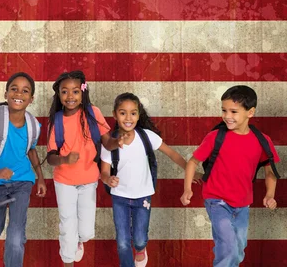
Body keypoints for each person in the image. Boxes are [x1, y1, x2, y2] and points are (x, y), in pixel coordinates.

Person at [181, 85, 280, 267]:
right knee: (228, 246)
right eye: (224, 110)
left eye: (233, 111)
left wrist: (270, 194)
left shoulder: (261, 140)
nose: (227, 116)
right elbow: (193, 162)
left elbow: (270, 169)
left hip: (243, 203)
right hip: (216, 200)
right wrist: (187, 189)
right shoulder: (215, 137)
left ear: (250, 112)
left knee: (238, 248)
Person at [101, 92, 201, 267]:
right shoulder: (109, 142)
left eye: (133, 113)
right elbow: (103, 172)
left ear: (139, 115)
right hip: (120, 197)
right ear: (115, 114)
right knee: (123, 242)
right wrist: (108, 179)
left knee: (139, 238)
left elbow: (172, 154)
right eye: (123, 112)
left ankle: (140, 249)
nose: (128, 117)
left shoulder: (147, 137)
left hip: (143, 196)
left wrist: (190, 172)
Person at [0, 72, 47, 267]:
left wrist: (40, 177)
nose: (19, 94)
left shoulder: (33, 124)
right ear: (6, 94)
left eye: (25, 91)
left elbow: (30, 150)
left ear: (31, 99)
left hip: (22, 182)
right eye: (14, 89)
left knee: (15, 238)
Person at [45, 70, 112, 266]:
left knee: (86, 231)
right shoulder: (57, 120)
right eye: (65, 92)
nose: (70, 96)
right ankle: (68, 260)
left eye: (75, 91)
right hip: (64, 181)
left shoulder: (93, 113)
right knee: (67, 225)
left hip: (89, 179)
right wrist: (64, 159)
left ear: (83, 92)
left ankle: (79, 241)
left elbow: (108, 142)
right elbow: (50, 158)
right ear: (59, 94)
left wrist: (119, 141)